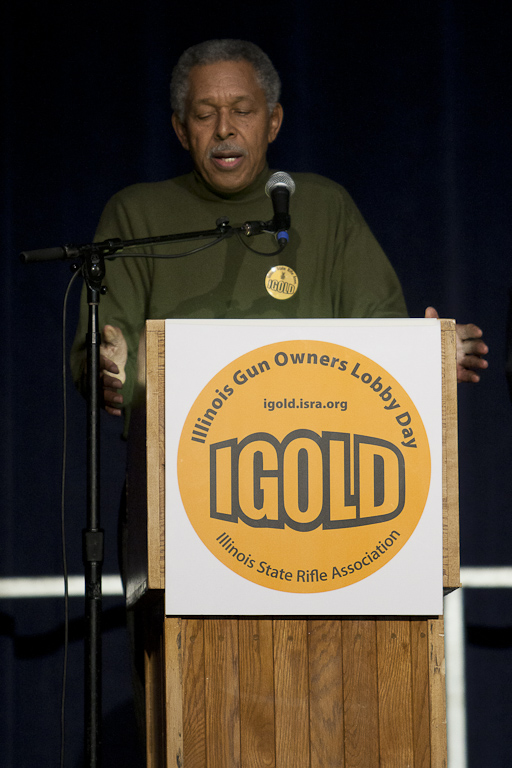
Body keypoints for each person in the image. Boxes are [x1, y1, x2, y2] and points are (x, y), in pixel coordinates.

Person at [71, 38, 488, 420]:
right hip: (178, 457)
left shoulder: (323, 205)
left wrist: (421, 358)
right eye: (204, 114)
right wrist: (109, 371)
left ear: (273, 121)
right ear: (181, 130)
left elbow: (377, 335)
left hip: (317, 452)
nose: (223, 129)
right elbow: (107, 357)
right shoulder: (137, 213)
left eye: (242, 111)